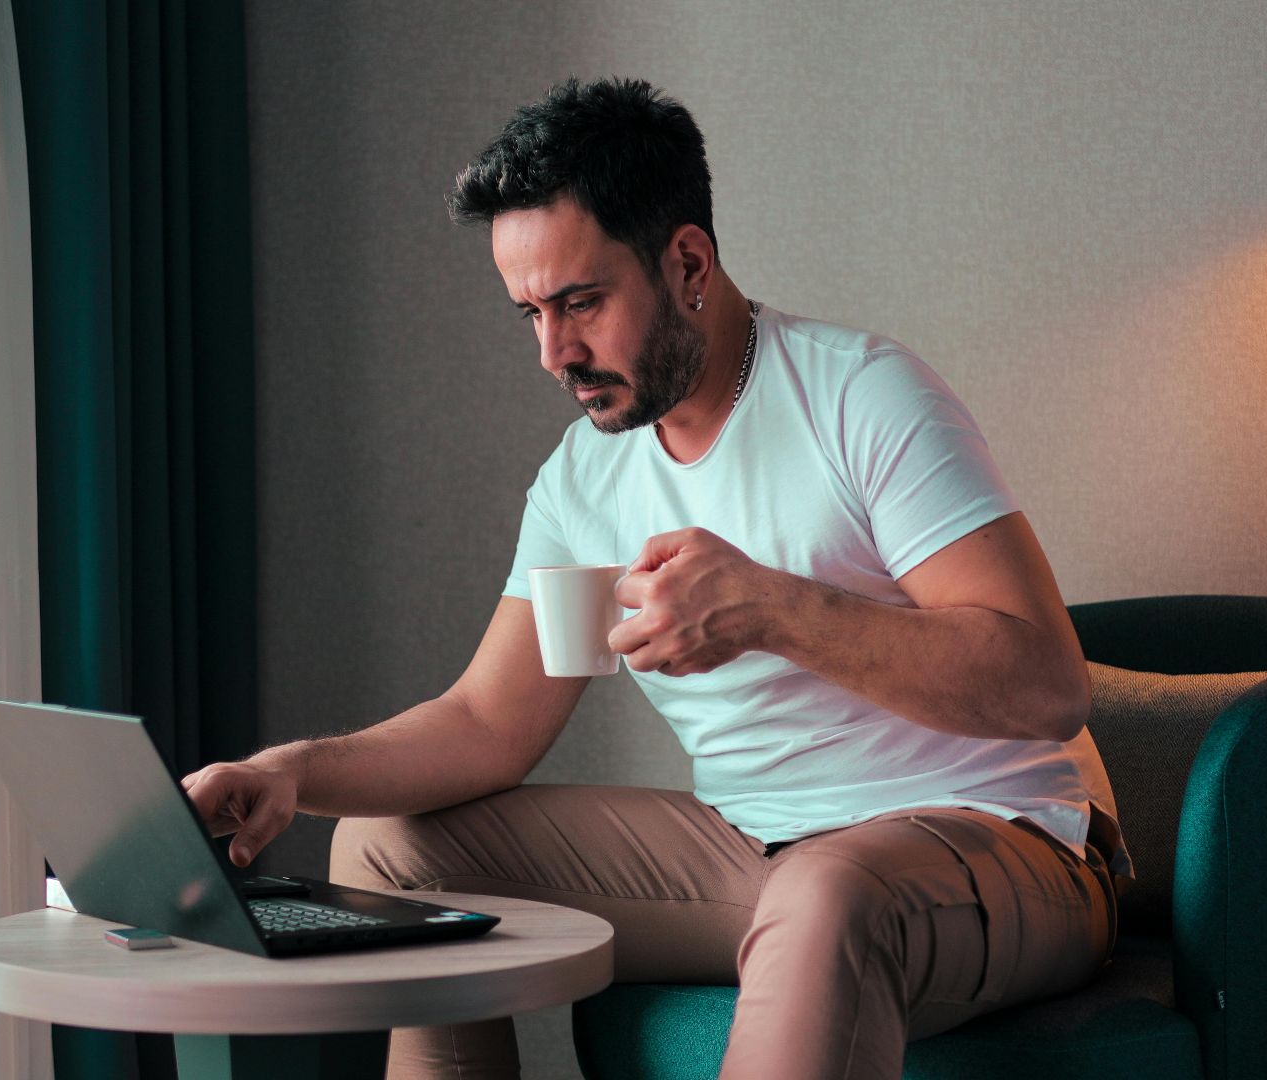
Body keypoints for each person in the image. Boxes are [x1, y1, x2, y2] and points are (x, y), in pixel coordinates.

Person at [183, 76, 1133, 1080]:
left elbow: (1045, 684)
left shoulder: (863, 398)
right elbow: (487, 726)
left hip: (1009, 840)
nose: (555, 352)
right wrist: (290, 770)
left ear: (687, 264)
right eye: (530, 314)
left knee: (827, 895)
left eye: (581, 302)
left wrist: (774, 609)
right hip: (754, 852)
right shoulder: (586, 481)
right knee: (389, 853)